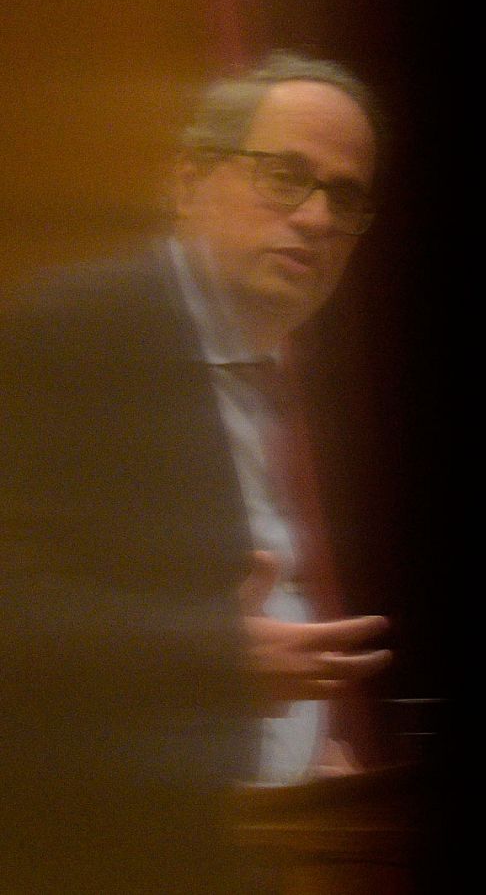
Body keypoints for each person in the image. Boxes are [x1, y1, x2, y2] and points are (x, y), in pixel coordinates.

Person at [0, 51, 391, 891]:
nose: (319, 217)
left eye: (346, 196)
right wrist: (214, 651)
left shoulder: (307, 382)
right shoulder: (73, 333)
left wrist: (318, 753)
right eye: (287, 175)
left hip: (274, 853)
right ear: (188, 179)